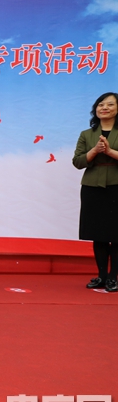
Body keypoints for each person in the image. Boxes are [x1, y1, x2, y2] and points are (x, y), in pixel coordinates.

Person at [72, 92, 118, 293]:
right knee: (98, 233)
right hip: (92, 187)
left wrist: (109, 152)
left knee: (116, 234)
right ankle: (101, 276)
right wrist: (94, 151)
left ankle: (113, 277)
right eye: (101, 104)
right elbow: (77, 162)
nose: (104, 107)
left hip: (116, 185)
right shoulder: (87, 134)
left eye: (110, 104)